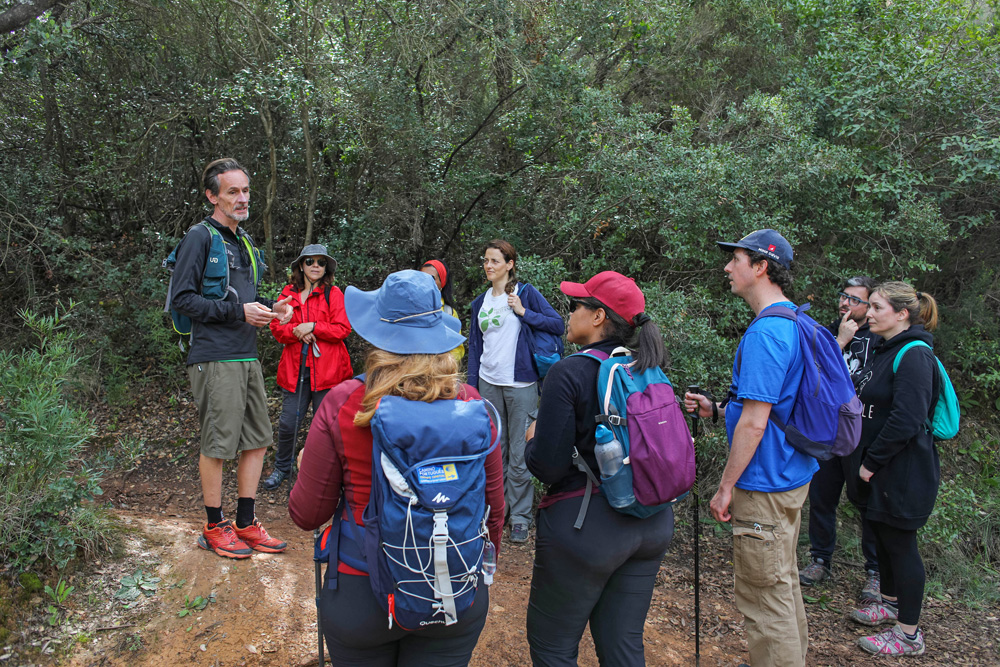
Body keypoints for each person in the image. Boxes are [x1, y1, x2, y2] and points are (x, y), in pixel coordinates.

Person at [289, 270, 505, 665]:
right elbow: (493, 512)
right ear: (439, 330)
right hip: (451, 591)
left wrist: (307, 466)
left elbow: (307, 515)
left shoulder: (344, 404)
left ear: (376, 334)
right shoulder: (472, 406)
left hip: (362, 594)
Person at [524, 271, 675, 666]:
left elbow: (548, 468)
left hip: (587, 528)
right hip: (652, 525)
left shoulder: (569, 372)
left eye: (575, 305)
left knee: (553, 648)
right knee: (623, 646)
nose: (569, 313)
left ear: (597, 317)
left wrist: (529, 439)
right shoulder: (646, 366)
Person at [685, 229, 815, 667]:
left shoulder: (766, 334)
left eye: (735, 259)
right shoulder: (797, 321)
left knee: (764, 597)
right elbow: (768, 406)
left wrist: (725, 488)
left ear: (760, 266)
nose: (727, 267)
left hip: (763, 483)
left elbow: (758, 422)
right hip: (791, 474)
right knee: (782, 581)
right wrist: (719, 411)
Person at [171, 157, 292, 559]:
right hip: (214, 357)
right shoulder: (200, 238)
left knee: (257, 441)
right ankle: (213, 525)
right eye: (232, 192)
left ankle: (244, 522)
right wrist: (239, 312)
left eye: (245, 191)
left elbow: (242, 300)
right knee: (219, 445)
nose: (242, 199)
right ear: (212, 196)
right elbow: (184, 301)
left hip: (246, 356)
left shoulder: (244, 242)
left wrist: (274, 308)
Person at [844, 282, 941, 656]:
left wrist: (870, 462)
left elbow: (907, 420)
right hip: (878, 468)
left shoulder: (915, 355)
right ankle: (888, 601)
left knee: (901, 545)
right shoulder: (885, 349)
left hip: (902, 472)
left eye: (877, 308)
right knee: (881, 537)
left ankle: (908, 635)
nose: (869, 313)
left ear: (902, 314)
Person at [467, 239, 564, 543]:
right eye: (486, 260)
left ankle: (520, 517)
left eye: (495, 261)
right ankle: (498, 512)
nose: (488, 266)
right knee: (493, 450)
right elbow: (474, 347)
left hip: (520, 384)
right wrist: (471, 388)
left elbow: (557, 325)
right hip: (487, 382)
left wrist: (524, 312)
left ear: (509, 265)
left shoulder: (526, 294)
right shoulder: (478, 303)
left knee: (520, 454)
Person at [799, 276, 883, 601]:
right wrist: (839, 341)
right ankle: (820, 559)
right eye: (842, 296)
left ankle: (875, 572)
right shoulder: (827, 332)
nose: (845, 303)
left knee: (865, 502)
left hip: (861, 433)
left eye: (854, 299)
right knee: (822, 497)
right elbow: (812, 373)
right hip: (826, 428)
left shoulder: (879, 338)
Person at [263, 244, 353, 490]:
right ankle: (282, 467)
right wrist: (297, 332)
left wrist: (313, 326)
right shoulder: (287, 294)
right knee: (289, 422)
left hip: (329, 372)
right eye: (310, 261)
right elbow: (277, 328)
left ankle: (319, 474)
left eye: (321, 262)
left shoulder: (333, 294)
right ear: (301, 265)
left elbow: (343, 328)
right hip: (296, 370)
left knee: (323, 426)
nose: (315, 266)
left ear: (326, 268)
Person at [421, 259, 465, 363]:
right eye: (422, 277)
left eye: (432, 278)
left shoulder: (448, 312)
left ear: (442, 283)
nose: (426, 282)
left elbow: (458, 349)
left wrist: (442, 363)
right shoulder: (408, 307)